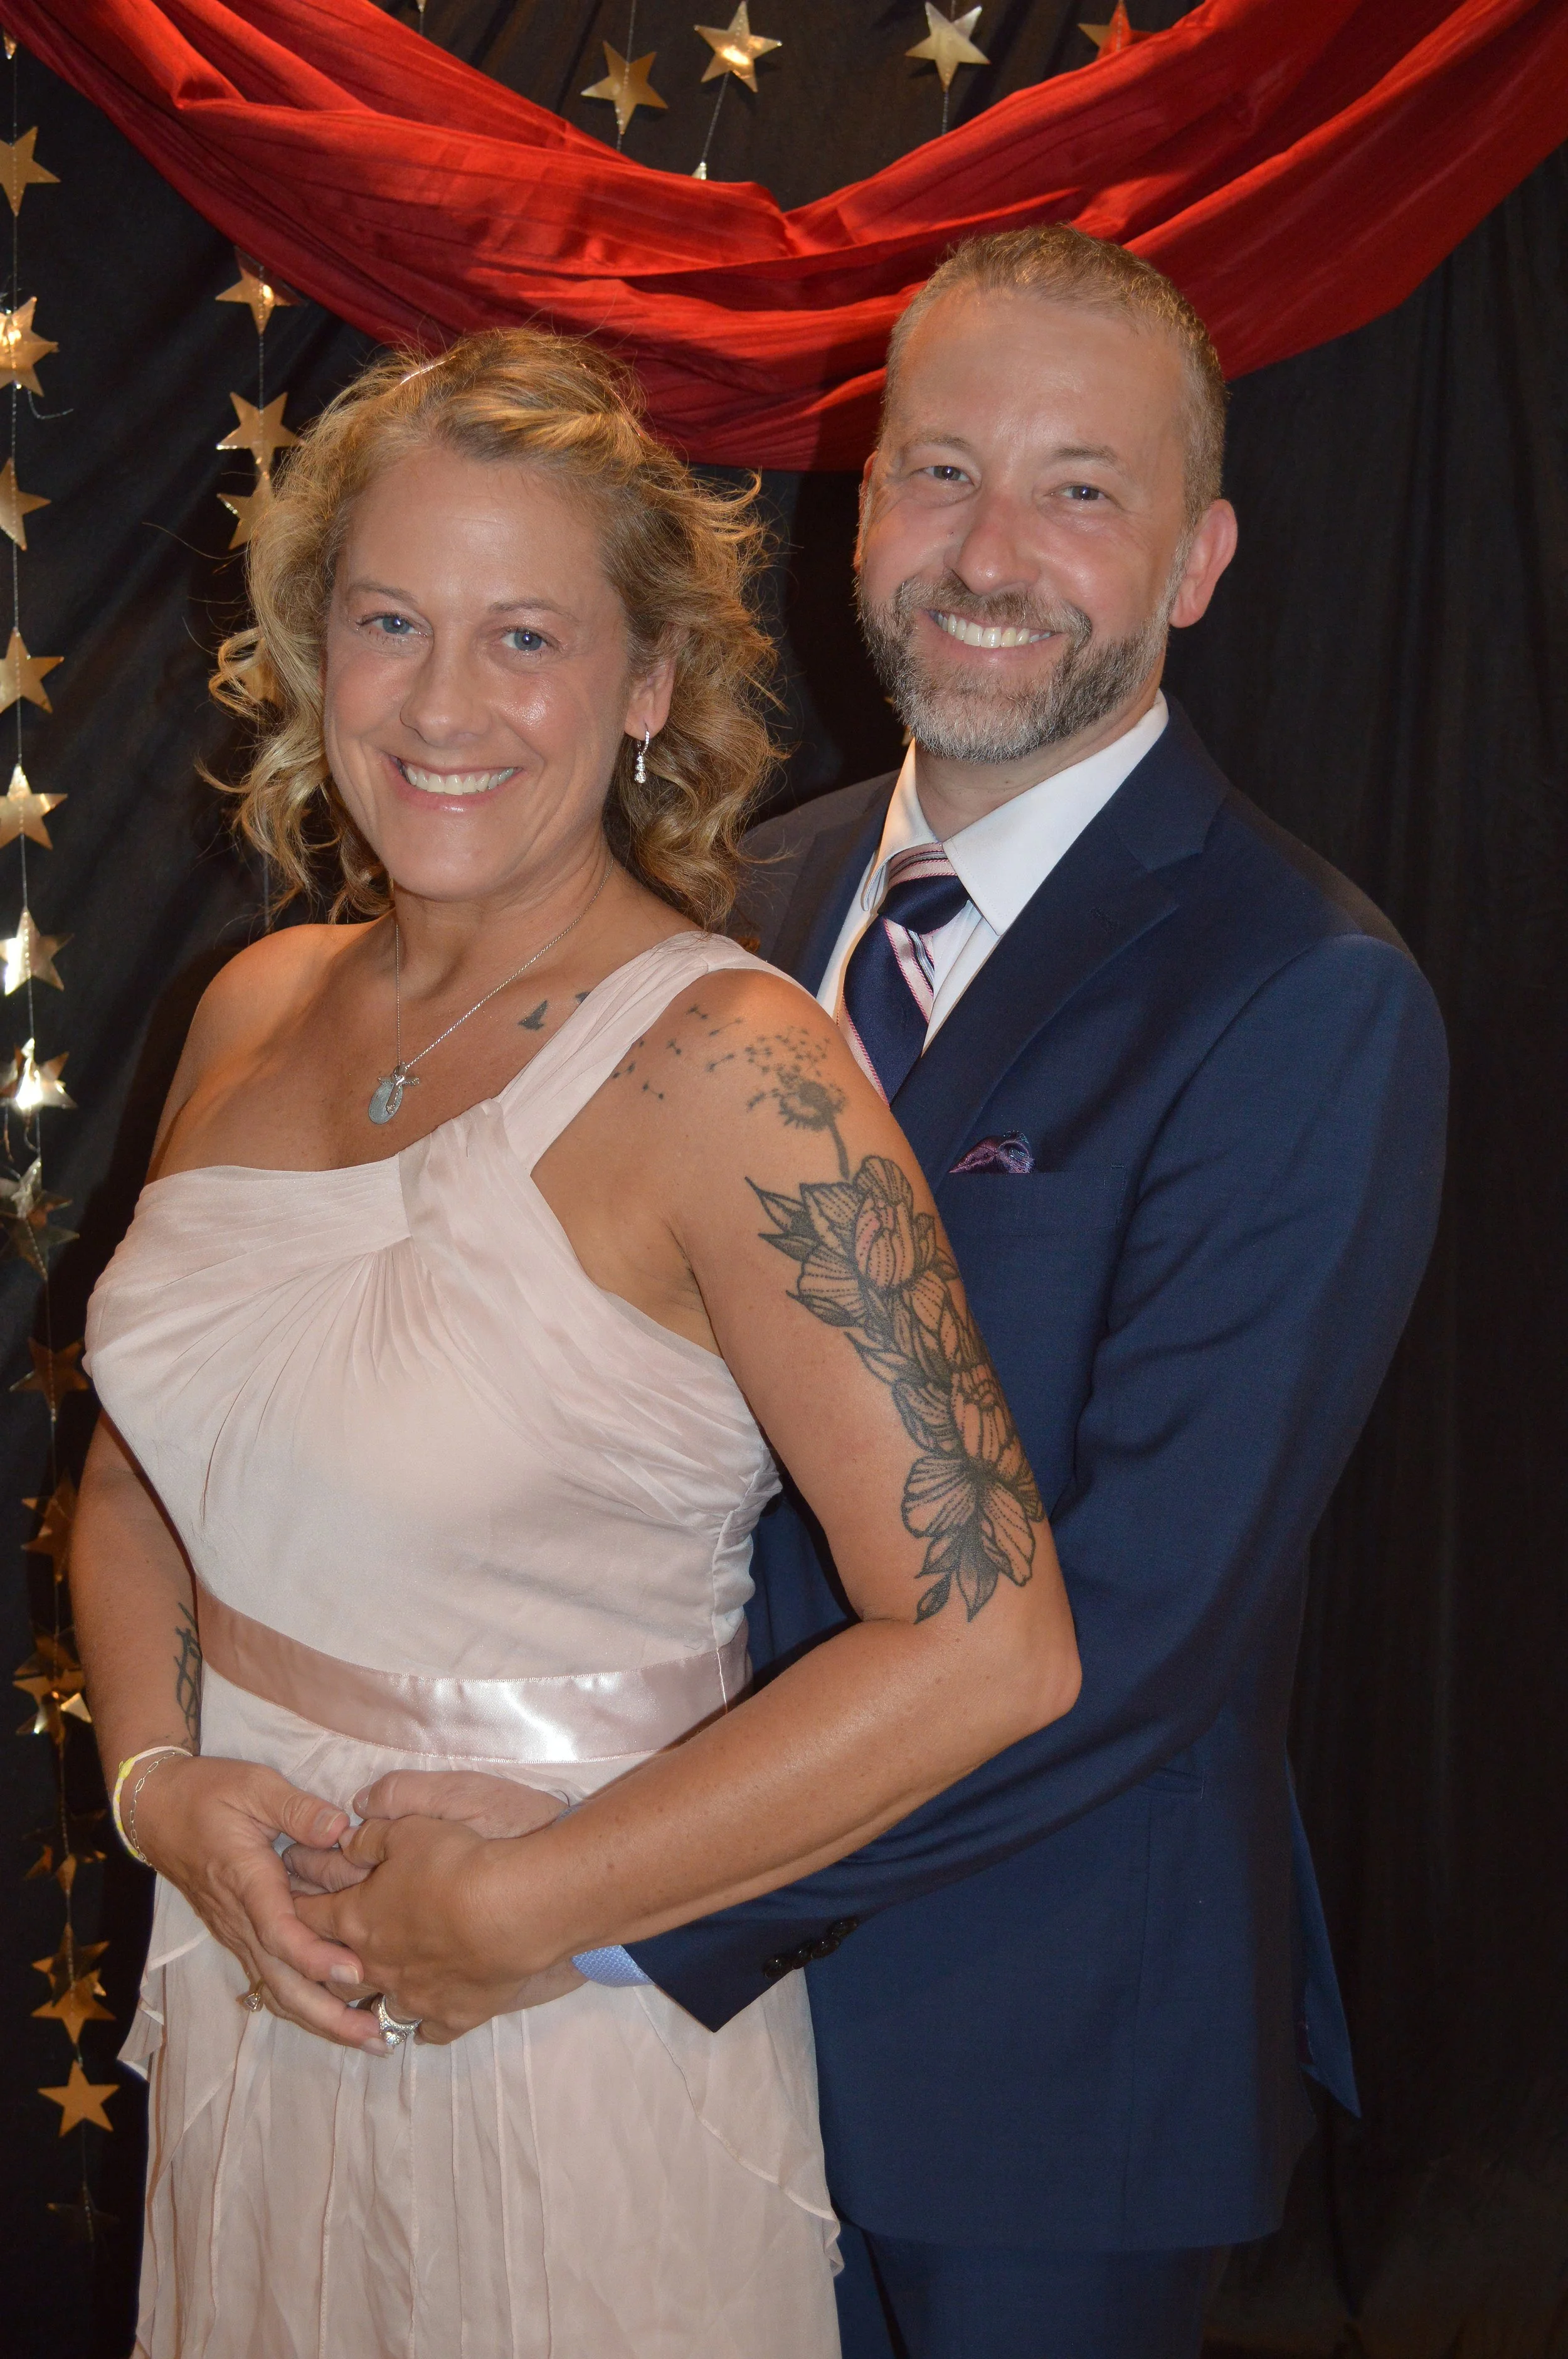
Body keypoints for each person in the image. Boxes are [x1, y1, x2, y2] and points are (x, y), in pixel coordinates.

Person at [306, 229, 1449, 2358]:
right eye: (935, 475)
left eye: (1075, 491)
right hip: (626, 2058)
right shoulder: (730, 902)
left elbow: (1131, 1637)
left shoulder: (1303, 997)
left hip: (1029, 2067)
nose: (988, 552)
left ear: (1195, 559)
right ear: (856, 513)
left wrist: (601, 1916)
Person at [72, 329, 1081, 2358]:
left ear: (644, 687)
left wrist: (527, 1912)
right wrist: (161, 1787)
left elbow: (992, 1643)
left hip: (553, 2044)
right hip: (244, 1989)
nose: (444, 705)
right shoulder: (255, 1005)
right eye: (389, 621)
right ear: (314, 649)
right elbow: (133, 1481)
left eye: (524, 633)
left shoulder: (736, 1068)